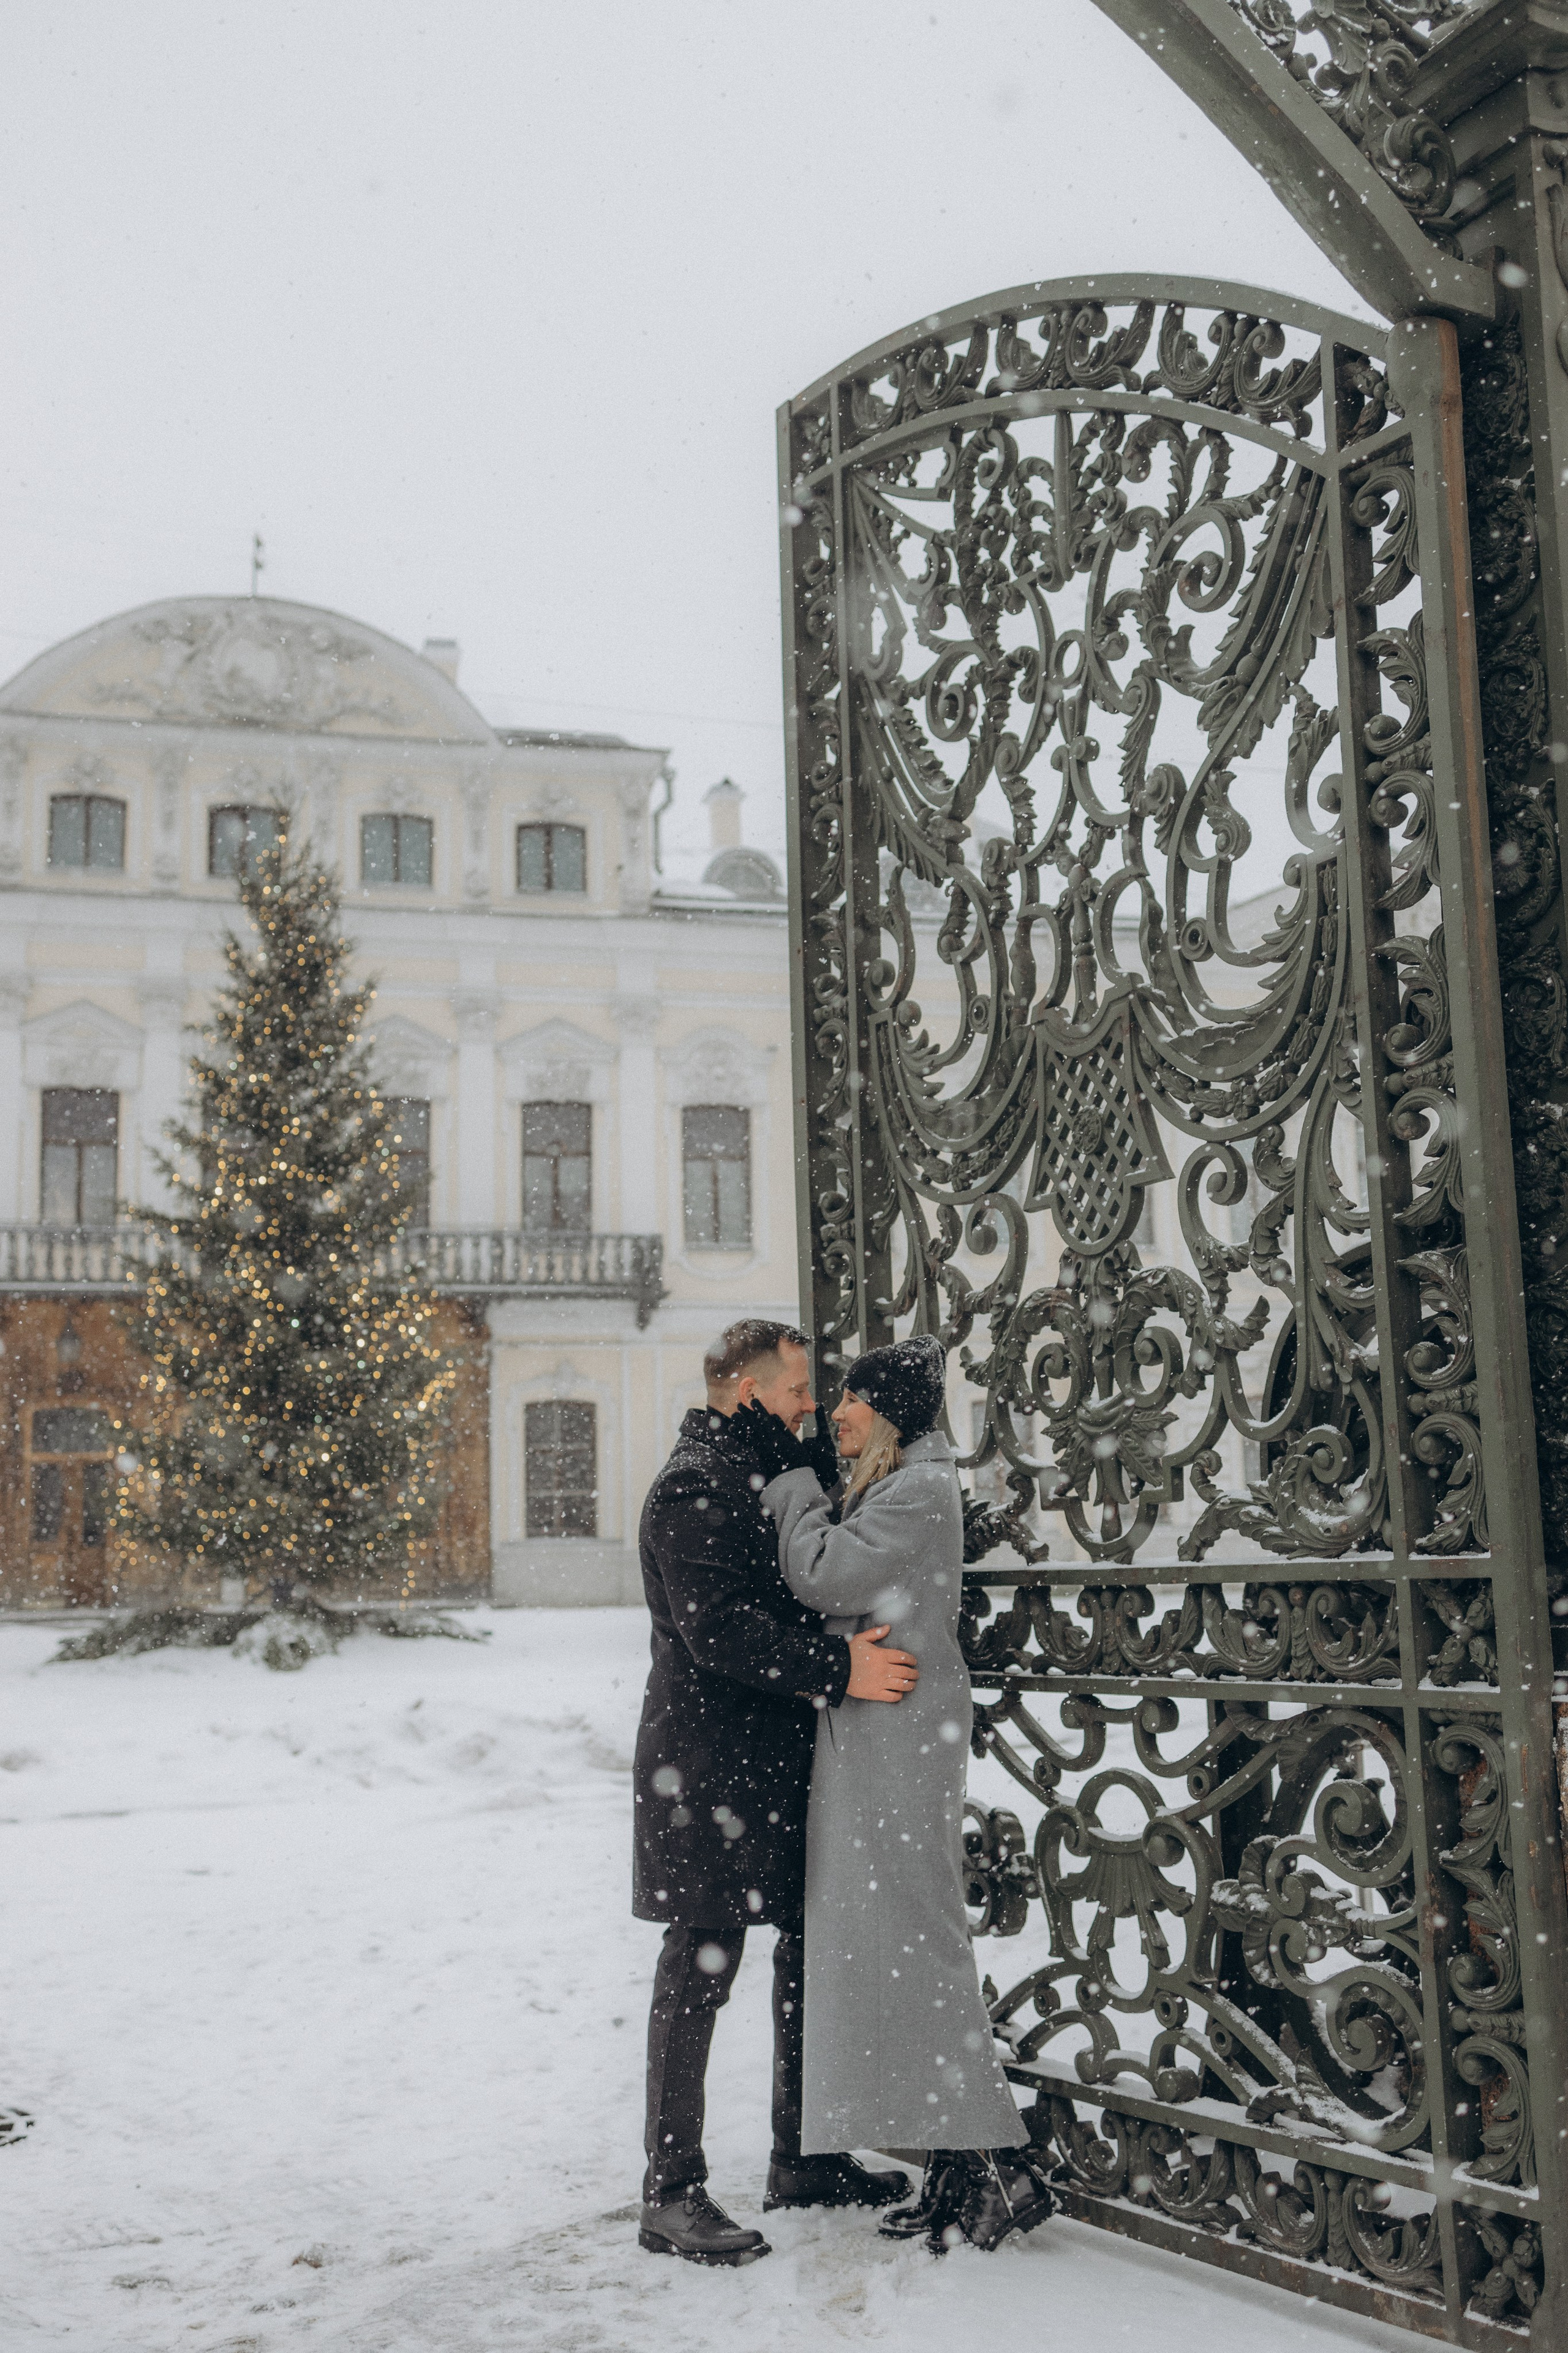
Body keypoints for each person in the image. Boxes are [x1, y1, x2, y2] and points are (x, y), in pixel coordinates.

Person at [740, 1332, 1057, 2255]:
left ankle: (1002, 2165)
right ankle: (960, 2164)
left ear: (892, 1412)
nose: (835, 1412)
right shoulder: (895, 1484)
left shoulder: (918, 1489)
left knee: (920, 1941)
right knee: (900, 1944)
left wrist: (792, 1484)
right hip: (879, 1743)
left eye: (852, 1398)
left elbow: (822, 1572)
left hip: (901, 1746)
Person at [633, 1318, 919, 2268]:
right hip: (707, 1771)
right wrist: (839, 1668)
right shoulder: (692, 1484)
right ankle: (671, 2191)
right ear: (745, 1388)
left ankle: (804, 2155)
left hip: (772, 1766)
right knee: (702, 1966)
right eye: (798, 1390)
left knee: (805, 1954)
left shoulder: (766, 1476)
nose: (810, 1407)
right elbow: (719, 1632)